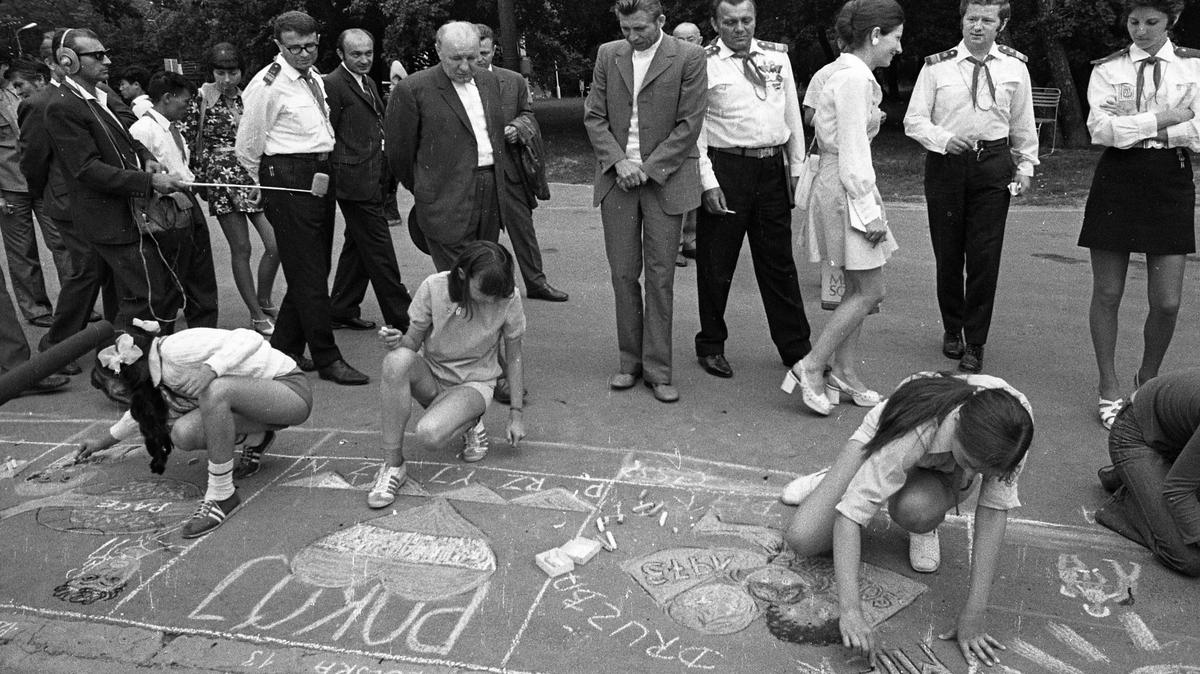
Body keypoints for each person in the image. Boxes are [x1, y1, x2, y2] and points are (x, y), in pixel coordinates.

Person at [783, 371, 1034, 668]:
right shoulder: (918, 429)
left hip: (940, 468)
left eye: (983, 472)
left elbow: (993, 511)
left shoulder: (1013, 432)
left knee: (915, 510)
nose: (977, 475)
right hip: (886, 439)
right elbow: (850, 517)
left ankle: (919, 513)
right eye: (971, 464)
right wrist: (850, 610)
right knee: (803, 538)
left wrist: (975, 612)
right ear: (956, 425)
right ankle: (842, 478)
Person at [73, 319, 313, 538]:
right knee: (184, 433)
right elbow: (139, 414)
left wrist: (211, 369)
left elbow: (248, 337)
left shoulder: (175, 349)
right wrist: (102, 442)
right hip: (259, 408)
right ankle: (256, 437)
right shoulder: (153, 374)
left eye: (112, 380)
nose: (115, 390)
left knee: (215, 391)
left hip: (289, 393)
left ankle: (222, 494)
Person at [1078, 0, 1199, 430]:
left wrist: (1135, 126)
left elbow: (1199, 133)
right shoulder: (1109, 69)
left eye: (1152, 22)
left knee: (1167, 301)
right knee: (1108, 293)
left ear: (1173, 21)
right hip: (1118, 177)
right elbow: (1100, 130)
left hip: (1170, 177)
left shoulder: (1193, 68)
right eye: (1134, 22)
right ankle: (1108, 386)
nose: (1141, 31)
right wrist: (1166, 118)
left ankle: (1146, 381)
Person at [903, 0, 1038, 374]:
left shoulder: (1015, 67)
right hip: (947, 164)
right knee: (948, 254)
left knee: (985, 256)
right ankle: (952, 327)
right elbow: (914, 120)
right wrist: (943, 138)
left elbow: (1023, 122)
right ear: (962, 20)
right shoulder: (937, 66)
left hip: (993, 166)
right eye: (971, 18)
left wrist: (1025, 165)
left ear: (1001, 24)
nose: (977, 26)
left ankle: (975, 341)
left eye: (987, 20)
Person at [583, 0, 707, 404]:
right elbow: (594, 117)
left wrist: (648, 169)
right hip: (617, 179)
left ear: (661, 21)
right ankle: (628, 362)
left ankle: (658, 369)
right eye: (625, 29)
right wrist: (619, 162)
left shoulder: (688, 56)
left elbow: (689, 124)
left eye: (640, 29)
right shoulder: (608, 54)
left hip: (664, 180)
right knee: (623, 274)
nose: (633, 37)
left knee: (660, 277)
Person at [237, 11, 370, 386]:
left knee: (311, 267)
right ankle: (328, 357)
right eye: (294, 48)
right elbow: (248, 145)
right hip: (287, 176)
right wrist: (259, 188)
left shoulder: (312, 77)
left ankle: (284, 350)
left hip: (317, 174)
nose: (304, 54)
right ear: (279, 46)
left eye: (310, 45)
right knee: (309, 272)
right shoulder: (268, 84)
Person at [784, 0, 903, 416]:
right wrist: (870, 213)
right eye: (896, 38)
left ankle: (845, 373)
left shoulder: (836, 71)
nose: (899, 48)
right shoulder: (855, 79)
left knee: (855, 287)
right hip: (848, 188)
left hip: (837, 185)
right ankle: (813, 366)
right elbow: (854, 151)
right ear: (875, 35)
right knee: (872, 290)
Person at [43, 28, 189, 341]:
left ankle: (118, 367)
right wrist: (150, 181)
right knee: (147, 295)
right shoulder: (62, 105)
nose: (107, 60)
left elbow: (124, 137)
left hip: (120, 211)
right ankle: (129, 373)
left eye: (105, 53)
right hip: (108, 217)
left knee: (128, 296)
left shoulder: (100, 95)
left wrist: (145, 157)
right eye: (97, 55)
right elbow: (87, 168)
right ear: (67, 60)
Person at [694, 0, 812, 382]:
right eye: (730, 22)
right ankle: (711, 344)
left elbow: (791, 111)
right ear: (715, 22)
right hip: (727, 168)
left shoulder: (776, 57)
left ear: (756, 20)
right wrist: (708, 181)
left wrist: (797, 167)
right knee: (716, 263)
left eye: (746, 20)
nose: (739, 28)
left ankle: (796, 348)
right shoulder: (702, 61)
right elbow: (695, 129)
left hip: (770, 169)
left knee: (778, 263)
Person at [368, 242, 525, 507]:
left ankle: (471, 420)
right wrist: (397, 341)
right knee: (395, 361)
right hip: (434, 376)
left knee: (429, 435)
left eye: (497, 294)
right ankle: (393, 466)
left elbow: (515, 357)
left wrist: (516, 414)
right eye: (485, 291)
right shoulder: (434, 286)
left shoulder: (507, 297)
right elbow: (411, 344)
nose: (491, 300)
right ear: (463, 275)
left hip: (475, 384)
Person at [386, 22, 511, 272]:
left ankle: (476, 312)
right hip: (444, 197)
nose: (465, 67)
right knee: (456, 279)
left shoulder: (488, 81)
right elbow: (399, 154)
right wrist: (426, 186)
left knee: (484, 272)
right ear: (438, 50)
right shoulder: (412, 89)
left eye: (472, 57)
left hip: (489, 192)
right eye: (456, 58)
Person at [181, 43, 280, 338]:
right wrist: (198, 178)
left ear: (241, 72)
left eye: (232, 72)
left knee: (276, 245)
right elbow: (185, 138)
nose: (226, 79)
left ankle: (264, 299)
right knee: (242, 249)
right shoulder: (200, 98)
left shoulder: (248, 97)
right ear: (211, 72)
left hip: (251, 176)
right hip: (221, 179)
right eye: (220, 72)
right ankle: (256, 314)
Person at [324, 29, 413, 332]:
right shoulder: (332, 85)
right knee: (379, 249)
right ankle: (403, 317)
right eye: (356, 54)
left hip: (375, 176)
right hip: (353, 182)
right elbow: (327, 136)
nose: (364, 60)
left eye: (368, 53)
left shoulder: (369, 82)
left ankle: (341, 308)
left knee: (359, 246)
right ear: (341, 55)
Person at [476, 24, 569, 303]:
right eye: (474, 53)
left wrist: (518, 127)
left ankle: (537, 283)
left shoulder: (514, 80)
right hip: (477, 173)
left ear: (494, 50)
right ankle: (483, 287)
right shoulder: (458, 82)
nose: (479, 59)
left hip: (510, 170)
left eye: (484, 52)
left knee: (524, 231)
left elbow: (528, 114)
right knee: (483, 235)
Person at [129, 71, 219, 331]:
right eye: (184, 101)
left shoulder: (170, 127)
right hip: (165, 206)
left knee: (200, 271)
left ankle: (204, 331)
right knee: (172, 273)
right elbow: (141, 175)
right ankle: (163, 337)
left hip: (187, 198)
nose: (188, 107)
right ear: (167, 98)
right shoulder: (143, 129)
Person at [1096, 369, 1200, 577]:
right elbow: (1178, 491)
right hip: (1134, 435)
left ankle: (1139, 477)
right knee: (1189, 559)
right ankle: (1127, 499)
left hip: (1180, 441)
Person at [2, 57, 70, 329]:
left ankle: (75, 305)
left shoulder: (22, 87)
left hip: (41, 181)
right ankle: (36, 308)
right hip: (9, 186)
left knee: (63, 243)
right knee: (22, 251)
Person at [671, 21, 703, 268]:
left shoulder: (708, 64)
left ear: (700, 40)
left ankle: (690, 241)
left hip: (706, 136)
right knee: (681, 194)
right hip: (682, 137)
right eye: (678, 38)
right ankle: (676, 247)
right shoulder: (672, 66)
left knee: (698, 194)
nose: (683, 43)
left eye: (689, 39)